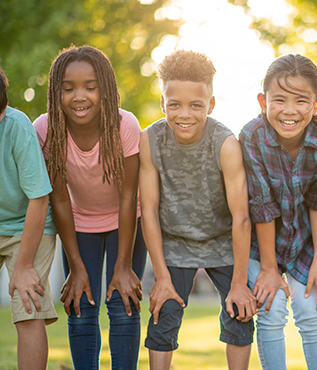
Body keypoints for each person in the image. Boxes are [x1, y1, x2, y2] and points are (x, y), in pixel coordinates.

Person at [139, 50, 256, 370]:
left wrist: (240, 282)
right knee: (163, 314)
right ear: (163, 102)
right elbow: (148, 210)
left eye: (196, 105)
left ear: (211, 105)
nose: (184, 114)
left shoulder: (225, 143)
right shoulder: (149, 139)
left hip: (224, 243)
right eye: (174, 104)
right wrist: (161, 276)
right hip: (175, 244)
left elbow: (241, 216)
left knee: (240, 314)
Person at [34, 46, 146, 370]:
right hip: (80, 222)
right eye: (68, 88)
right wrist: (76, 265)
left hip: (126, 220)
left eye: (90, 87)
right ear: (57, 92)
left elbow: (128, 197)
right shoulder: (45, 129)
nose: (78, 96)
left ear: (105, 90)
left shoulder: (125, 125)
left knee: (122, 302)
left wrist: (123, 266)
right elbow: (58, 199)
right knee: (80, 304)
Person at [239, 54, 317, 370]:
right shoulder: (252, 135)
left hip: (306, 241)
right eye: (279, 100)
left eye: (301, 101)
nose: (289, 110)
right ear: (262, 101)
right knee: (270, 309)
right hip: (260, 242)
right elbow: (261, 204)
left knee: (311, 311)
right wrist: (269, 268)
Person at [0, 66, 57, 370]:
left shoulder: (17, 126)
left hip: (27, 223)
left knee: (29, 303)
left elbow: (39, 197)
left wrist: (23, 266)